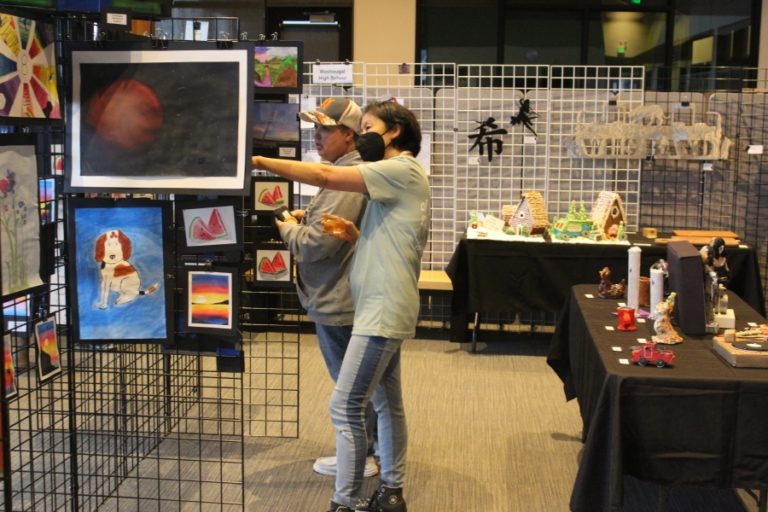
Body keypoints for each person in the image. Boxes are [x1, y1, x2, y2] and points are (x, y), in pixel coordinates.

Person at [252, 99, 431, 512]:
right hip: (379, 304)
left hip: (380, 309)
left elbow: (325, 174)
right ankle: (390, 492)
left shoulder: (399, 169)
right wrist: (356, 235)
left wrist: (260, 159)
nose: (363, 134)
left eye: (369, 126)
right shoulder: (400, 178)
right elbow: (394, 238)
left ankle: (345, 502)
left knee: (345, 405)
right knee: (386, 403)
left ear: (394, 132)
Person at [276, 97, 377, 478]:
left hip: (338, 298)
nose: (316, 136)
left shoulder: (345, 181)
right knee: (361, 385)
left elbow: (317, 244)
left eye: (325, 129)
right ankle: (368, 451)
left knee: (349, 388)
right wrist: (309, 219)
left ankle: (359, 458)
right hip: (340, 293)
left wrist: (288, 228)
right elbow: (329, 230)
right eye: (315, 128)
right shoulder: (344, 174)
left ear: (349, 136)